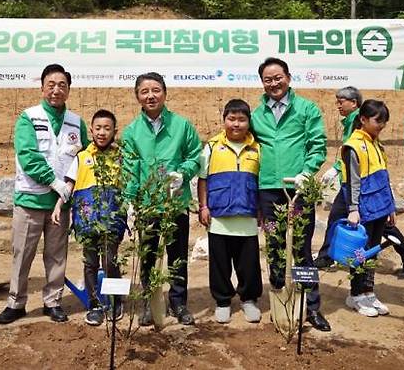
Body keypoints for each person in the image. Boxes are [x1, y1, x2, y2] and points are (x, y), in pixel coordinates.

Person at [0, 63, 89, 324]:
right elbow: (28, 156)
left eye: (62, 85)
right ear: (42, 87)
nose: (56, 90)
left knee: (57, 255)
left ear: (69, 89)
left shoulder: (76, 122)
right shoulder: (29, 117)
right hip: (31, 199)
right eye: (51, 85)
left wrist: (67, 188)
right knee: (22, 253)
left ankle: (53, 302)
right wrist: (53, 181)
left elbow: (85, 158)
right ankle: (16, 303)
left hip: (61, 203)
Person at [250, 57, 331, 332]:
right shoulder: (256, 114)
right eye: (267, 79)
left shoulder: (306, 108)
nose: (274, 83)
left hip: (298, 191)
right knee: (274, 244)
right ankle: (281, 301)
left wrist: (307, 172)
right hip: (269, 192)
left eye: (278, 77)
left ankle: (311, 307)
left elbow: (317, 145)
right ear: (262, 83)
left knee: (301, 247)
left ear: (288, 77)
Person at [122, 72, 201, 326]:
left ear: (165, 93)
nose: (150, 95)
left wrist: (184, 172)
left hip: (175, 203)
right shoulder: (132, 132)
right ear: (138, 97)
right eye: (144, 91)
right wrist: (131, 202)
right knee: (148, 257)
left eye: (155, 90)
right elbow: (130, 169)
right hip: (148, 205)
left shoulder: (181, 125)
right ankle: (150, 302)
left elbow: (195, 155)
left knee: (177, 256)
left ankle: (179, 303)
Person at [316, 87, 404, 279]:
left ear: (354, 103)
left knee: (380, 226)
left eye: (341, 101)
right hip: (352, 186)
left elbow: (356, 158)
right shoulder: (353, 124)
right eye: (337, 101)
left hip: (363, 189)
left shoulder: (363, 126)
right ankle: (326, 256)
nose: (338, 105)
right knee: (337, 217)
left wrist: (336, 168)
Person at [51, 109, 127, 326]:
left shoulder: (120, 157)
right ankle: (95, 305)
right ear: (91, 130)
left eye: (107, 128)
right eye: (98, 128)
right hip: (87, 220)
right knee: (91, 262)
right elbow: (69, 185)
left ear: (114, 131)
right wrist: (59, 205)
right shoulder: (82, 157)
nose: (102, 132)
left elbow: (129, 186)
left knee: (111, 260)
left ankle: (115, 302)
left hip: (112, 220)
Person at [197, 99, 263, 324]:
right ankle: (223, 301)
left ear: (248, 122)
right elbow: (203, 179)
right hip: (219, 216)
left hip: (247, 215)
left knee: (248, 262)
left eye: (242, 119)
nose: (236, 124)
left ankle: (249, 299)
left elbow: (262, 181)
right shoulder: (212, 146)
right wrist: (204, 206)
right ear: (224, 120)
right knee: (220, 263)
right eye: (231, 119)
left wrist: (261, 210)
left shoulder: (257, 148)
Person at [341, 100, 396, 317]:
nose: (381, 125)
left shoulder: (376, 143)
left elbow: (384, 178)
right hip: (363, 208)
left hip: (380, 207)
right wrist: (353, 209)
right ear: (363, 119)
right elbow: (353, 181)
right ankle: (355, 295)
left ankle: (368, 292)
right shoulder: (354, 146)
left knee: (373, 252)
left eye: (384, 121)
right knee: (360, 253)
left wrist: (389, 206)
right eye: (377, 121)